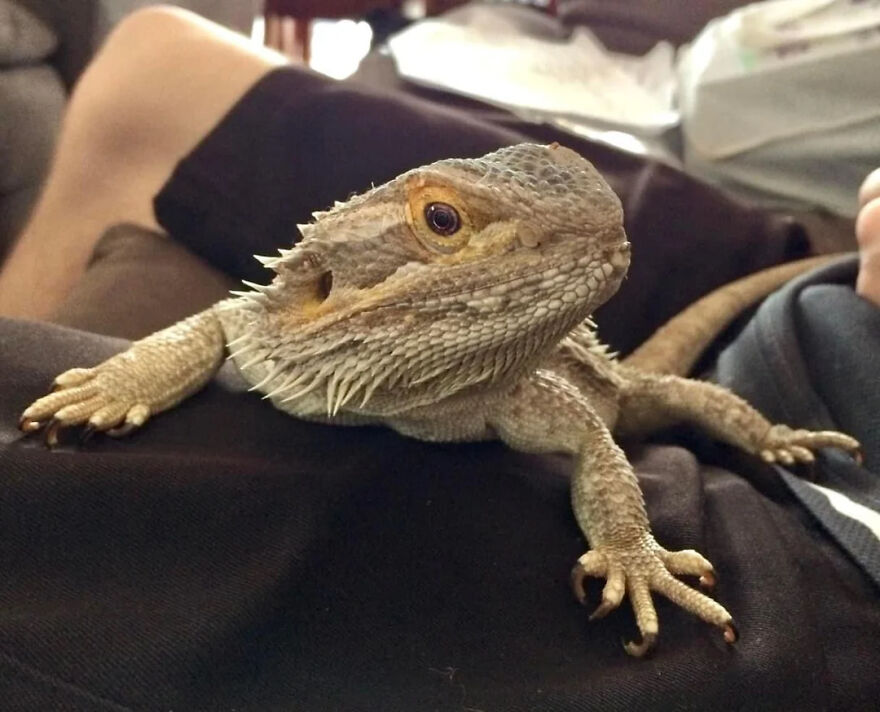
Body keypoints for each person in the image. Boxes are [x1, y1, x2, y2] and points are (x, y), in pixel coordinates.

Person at [0, 7, 877, 711]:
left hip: (818, 500)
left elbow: (596, 445)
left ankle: (772, 433)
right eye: (446, 227)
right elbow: (224, 326)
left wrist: (631, 543)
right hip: (826, 297)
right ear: (327, 288)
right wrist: (129, 381)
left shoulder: (528, 401)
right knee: (153, 50)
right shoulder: (284, 323)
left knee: (670, 394)